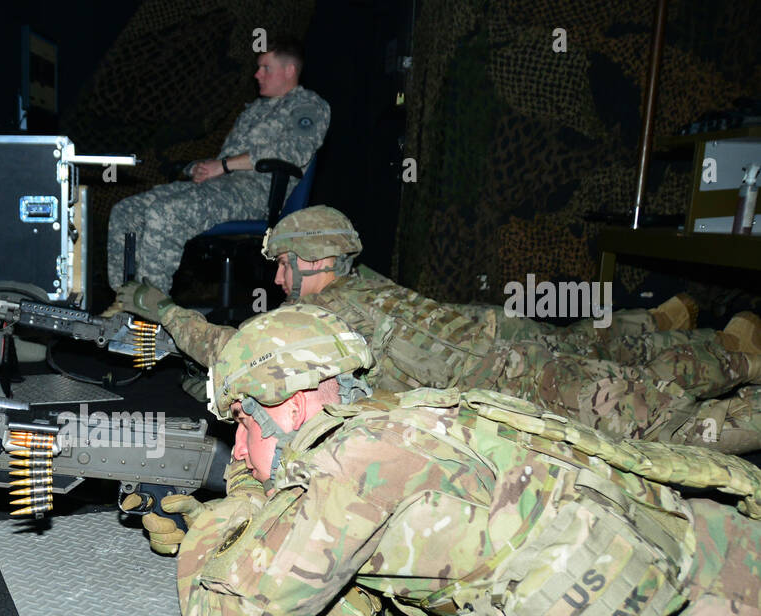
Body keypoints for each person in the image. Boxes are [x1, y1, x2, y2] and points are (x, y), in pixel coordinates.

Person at [137, 305, 761, 616]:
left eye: (244, 425)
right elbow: (347, 594)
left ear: (293, 403)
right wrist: (252, 500)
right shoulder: (386, 417)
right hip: (704, 539)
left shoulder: (352, 469)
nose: (239, 449)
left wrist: (219, 522)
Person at [116, 205, 761, 453]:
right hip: (510, 340)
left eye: (283, 266)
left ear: (313, 262)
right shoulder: (361, 286)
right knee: (610, 348)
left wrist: (161, 308)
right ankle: (717, 343)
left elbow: (232, 348)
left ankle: (737, 362)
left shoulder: (325, 316)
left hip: (528, 385)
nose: (278, 280)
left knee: (679, 430)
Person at [105, 36, 330, 292]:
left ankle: (152, 312)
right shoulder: (254, 110)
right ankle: (125, 301)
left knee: (165, 213)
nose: (257, 74)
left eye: (265, 67)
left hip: (256, 196)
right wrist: (202, 168)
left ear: (289, 70)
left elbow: (292, 152)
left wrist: (222, 166)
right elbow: (226, 161)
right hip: (221, 188)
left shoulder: (309, 106)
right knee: (126, 211)